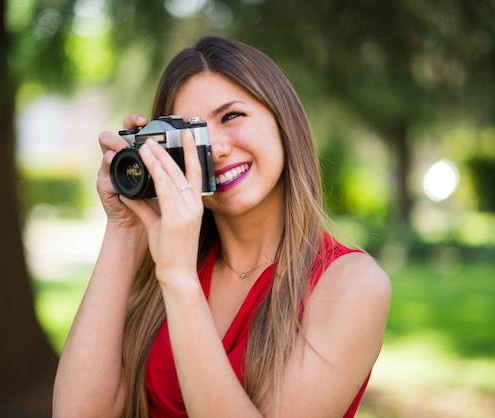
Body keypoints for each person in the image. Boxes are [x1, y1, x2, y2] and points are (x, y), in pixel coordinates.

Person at [53, 36, 391, 418]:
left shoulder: (351, 284)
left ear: (283, 121)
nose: (214, 148)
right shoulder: (162, 274)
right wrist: (124, 228)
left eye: (231, 116)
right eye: (191, 133)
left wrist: (179, 278)